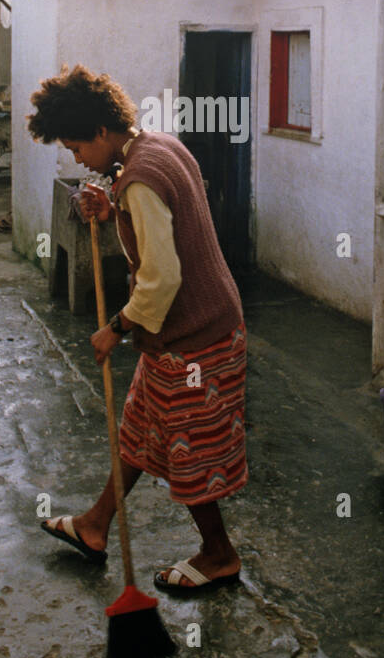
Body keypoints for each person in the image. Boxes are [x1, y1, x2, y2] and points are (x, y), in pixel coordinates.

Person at [27, 64, 248, 594]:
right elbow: (160, 224)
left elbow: (162, 276)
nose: (77, 158)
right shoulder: (157, 146)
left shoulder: (140, 179)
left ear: (102, 132)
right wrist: (112, 203)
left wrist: (115, 328)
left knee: (184, 447)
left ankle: (219, 554)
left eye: (78, 147)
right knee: (140, 432)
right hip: (193, 330)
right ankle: (95, 526)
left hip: (195, 340)